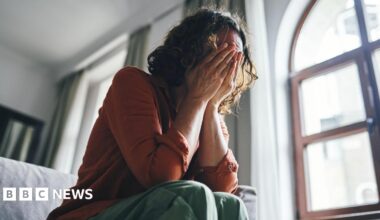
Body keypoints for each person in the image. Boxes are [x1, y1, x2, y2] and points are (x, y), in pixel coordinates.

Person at [47, 7, 257, 220]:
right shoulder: (132, 83)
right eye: (220, 51)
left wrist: (210, 106)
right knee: (195, 193)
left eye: (235, 58)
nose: (227, 64)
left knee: (232, 205)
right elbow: (162, 179)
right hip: (91, 214)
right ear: (188, 51)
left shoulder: (214, 122)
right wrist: (198, 98)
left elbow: (222, 192)